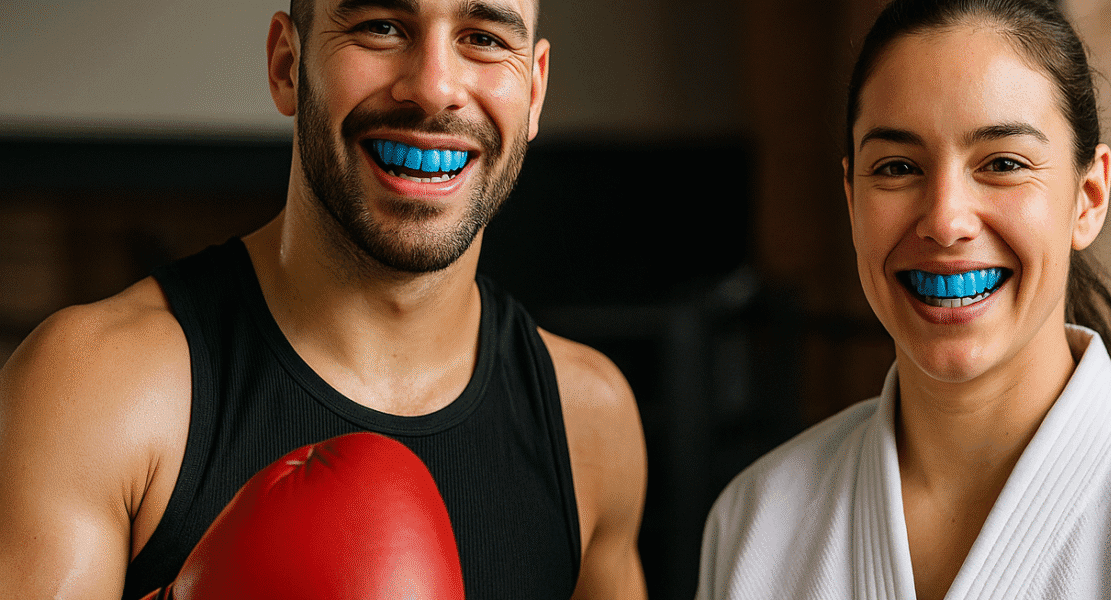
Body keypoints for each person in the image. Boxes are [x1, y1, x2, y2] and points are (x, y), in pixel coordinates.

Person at [0, 0, 648, 598]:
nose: (433, 87)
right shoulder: (94, 388)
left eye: (482, 39)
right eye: (381, 26)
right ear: (287, 65)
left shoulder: (589, 418)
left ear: (533, 91)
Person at [695, 0, 1111, 598]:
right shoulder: (756, 520)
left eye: (1002, 163)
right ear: (850, 197)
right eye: (896, 167)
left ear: (1089, 197)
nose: (945, 221)